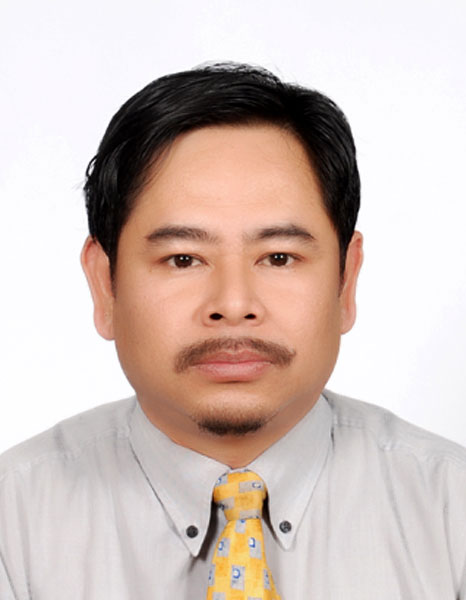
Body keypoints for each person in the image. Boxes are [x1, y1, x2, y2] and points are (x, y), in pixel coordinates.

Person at [1, 63, 465, 600]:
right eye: (182, 259)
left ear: (345, 281)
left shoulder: (450, 511)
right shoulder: (14, 524)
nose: (234, 305)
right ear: (106, 284)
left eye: (278, 257)